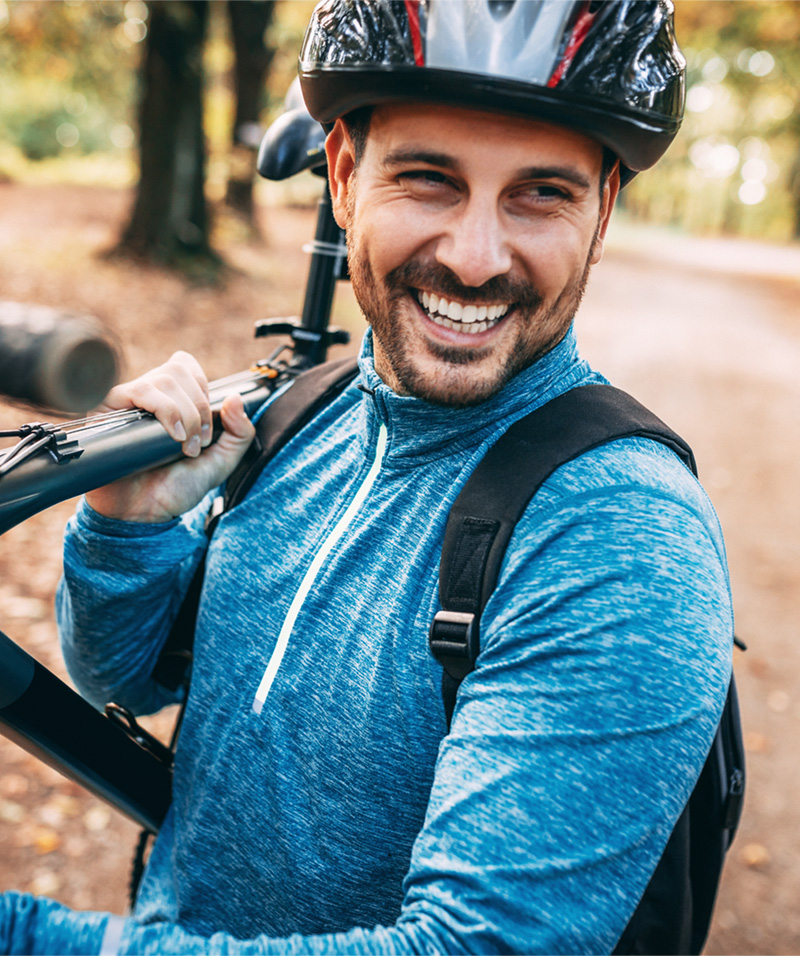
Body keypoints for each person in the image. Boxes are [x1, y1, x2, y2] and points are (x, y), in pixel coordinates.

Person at [0, 1, 734, 953]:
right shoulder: (306, 416)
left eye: (540, 194)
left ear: (602, 215)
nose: (475, 258)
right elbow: (128, 683)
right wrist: (126, 531)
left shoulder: (620, 534)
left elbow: (475, 946)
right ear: (344, 178)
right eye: (429, 180)